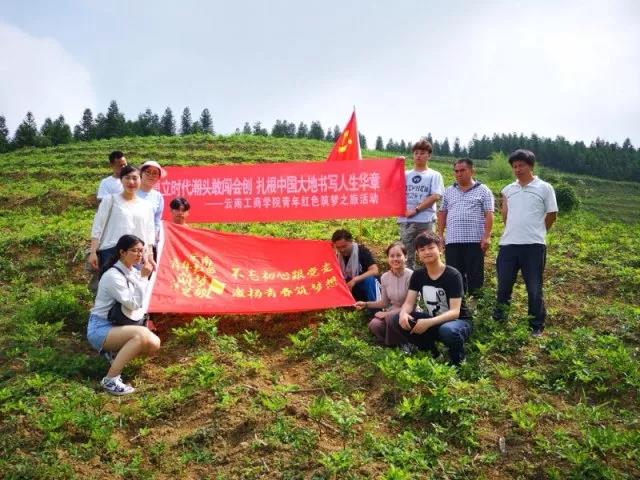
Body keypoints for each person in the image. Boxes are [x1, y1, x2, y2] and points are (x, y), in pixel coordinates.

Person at [493, 149, 558, 336]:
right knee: (504, 285)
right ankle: (499, 319)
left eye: (521, 165)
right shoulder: (508, 190)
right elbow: (505, 215)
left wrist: (538, 232)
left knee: (534, 287)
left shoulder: (545, 188)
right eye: (514, 166)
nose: (517, 169)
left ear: (531, 166)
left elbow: (552, 214)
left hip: (534, 246)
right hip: (508, 245)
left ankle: (536, 325)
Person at [87, 234, 160, 395]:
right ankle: (110, 379)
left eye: (141, 251)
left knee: (154, 343)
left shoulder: (133, 272)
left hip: (119, 325)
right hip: (100, 328)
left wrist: (142, 278)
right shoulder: (113, 276)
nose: (139, 255)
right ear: (122, 252)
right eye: (134, 251)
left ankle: (114, 354)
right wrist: (143, 278)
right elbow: (133, 304)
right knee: (141, 335)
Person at [389, 232, 472, 366]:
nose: (427, 252)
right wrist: (403, 313)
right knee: (397, 319)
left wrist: (428, 322)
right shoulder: (418, 275)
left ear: (440, 249)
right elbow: (409, 303)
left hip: (458, 322)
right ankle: (433, 352)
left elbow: (455, 312)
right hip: (434, 320)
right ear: (418, 254)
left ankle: (458, 361)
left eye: (431, 247)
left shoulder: (453, 275)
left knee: (447, 330)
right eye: (422, 249)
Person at [437, 159, 494, 295]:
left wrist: (487, 236)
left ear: (472, 171)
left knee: (475, 275)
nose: (459, 174)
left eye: (463, 170)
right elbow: (442, 213)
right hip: (452, 241)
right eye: (456, 171)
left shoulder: (483, 190)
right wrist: (440, 235)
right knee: (454, 276)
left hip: (475, 241)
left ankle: (476, 303)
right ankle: (458, 305)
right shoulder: (449, 191)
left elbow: (489, 214)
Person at [89, 165, 156, 273]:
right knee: (111, 282)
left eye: (135, 178)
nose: (131, 182)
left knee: (136, 283)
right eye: (127, 178)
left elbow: (149, 232)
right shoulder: (110, 200)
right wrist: (93, 252)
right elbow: (98, 225)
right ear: (121, 180)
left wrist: (149, 256)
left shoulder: (146, 206)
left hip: (137, 255)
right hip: (112, 252)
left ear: (140, 180)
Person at [397, 139, 445, 269]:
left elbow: (436, 196)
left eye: (422, 153)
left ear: (429, 156)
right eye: (416, 153)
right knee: (406, 255)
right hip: (406, 221)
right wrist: (397, 166)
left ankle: (431, 278)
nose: (418, 156)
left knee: (429, 253)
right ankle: (410, 280)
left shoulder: (434, 175)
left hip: (425, 220)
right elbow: (391, 187)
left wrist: (416, 210)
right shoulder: (405, 174)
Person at [355, 241, 413, 346]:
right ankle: (391, 343)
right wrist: (366, 304)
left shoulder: (411, 276)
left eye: (399, 255)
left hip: (408, 314)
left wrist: (387, 314)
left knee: (391, 318)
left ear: (405, 257)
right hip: (392, 313)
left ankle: (400, 345)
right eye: (392, 256)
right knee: (374, 324)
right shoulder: (385, 277)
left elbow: (411, 305)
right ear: (388, 258)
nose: (395, 259)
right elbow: (384, 303)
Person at [331, 229, 379, 302]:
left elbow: (374, 271)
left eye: (344, 246)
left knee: (369, 280)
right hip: (350, 287)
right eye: (338, 247)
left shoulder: (362, 251)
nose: (342, 250)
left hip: (364, 285)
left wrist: (355, 280)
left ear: (351, 241)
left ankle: (374, 307)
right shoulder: (337, 256)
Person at [137, 160, 167, 252]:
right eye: (148, 172)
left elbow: (157, 220)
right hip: (131, 240)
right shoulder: (132, 192)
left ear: (158, 177)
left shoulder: (158, 197)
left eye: (155, 173)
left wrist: (153, 238)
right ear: (141, 174)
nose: (151, 175)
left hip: (148, 242)